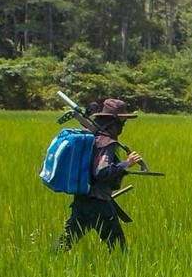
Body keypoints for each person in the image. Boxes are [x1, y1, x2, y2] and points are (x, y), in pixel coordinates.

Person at [57, 99, 143, 252]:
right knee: (119, 249)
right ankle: (122, 275)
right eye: (122, 120)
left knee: (65, 243)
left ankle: (49, 258)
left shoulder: (93, 137)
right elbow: (101, 172)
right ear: (114, 122)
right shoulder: (106, 142)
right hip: (99, 204)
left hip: (82, 200)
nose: (123, 125)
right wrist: (126, 163)